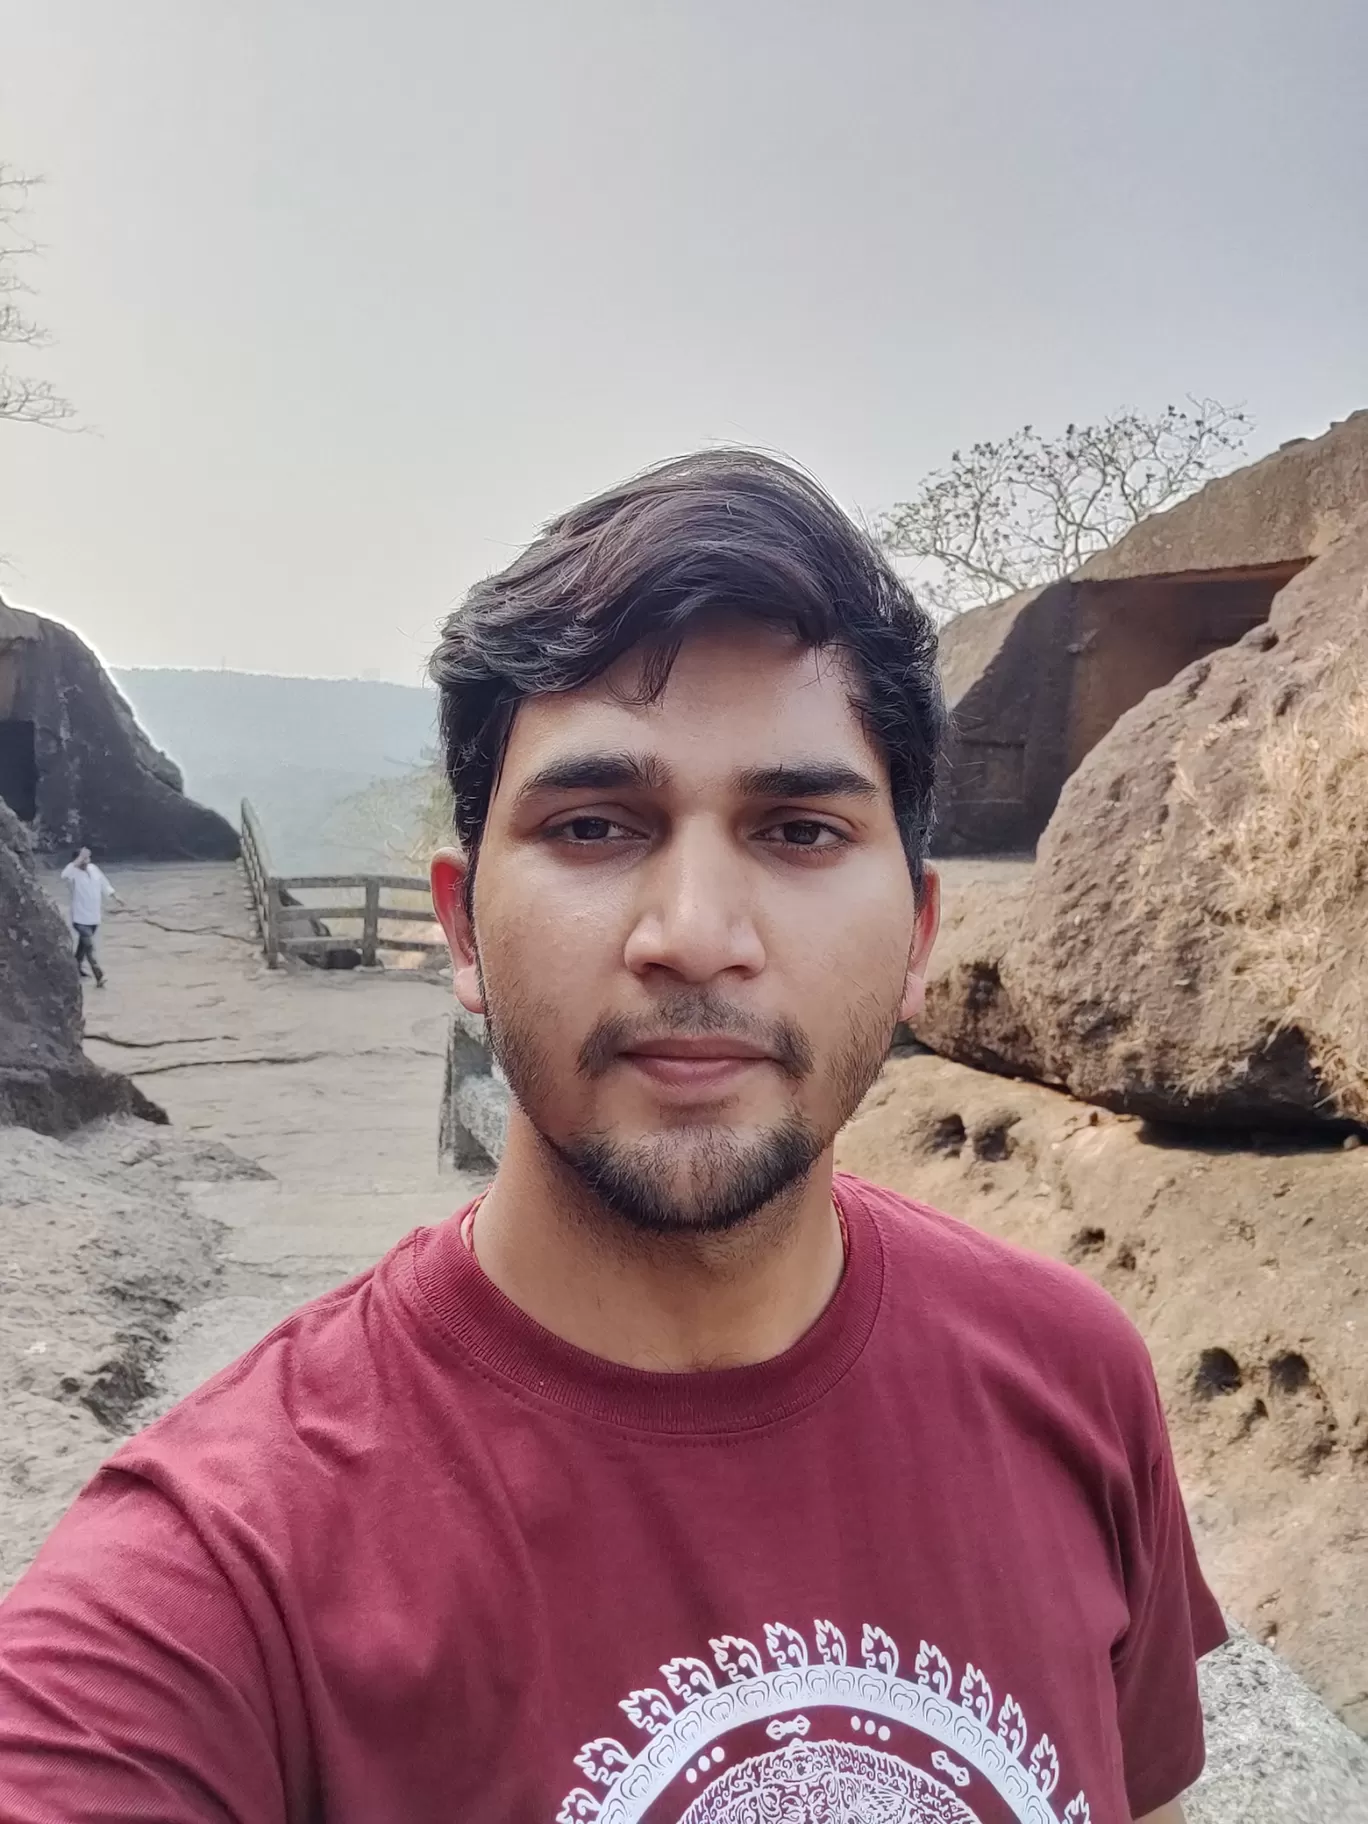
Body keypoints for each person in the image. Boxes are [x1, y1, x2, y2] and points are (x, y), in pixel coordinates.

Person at [0, 451, 1222, 1823]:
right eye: (592, 825)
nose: (694, 930)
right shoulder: (219, 1586)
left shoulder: (1072, 1383)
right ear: (462, 926)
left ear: (922, 937)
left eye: (802, 829)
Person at [58, 845, 120, 987]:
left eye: (88, 858)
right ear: (77, 860)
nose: (86, 861)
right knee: (90, 947)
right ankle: (99, 976)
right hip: (79, 919)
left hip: (94, 917)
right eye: (83, 859)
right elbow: (64, 875)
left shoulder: (93, 869)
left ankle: (75, 968)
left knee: (83, 947)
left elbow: (104, 884)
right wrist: (78, 860)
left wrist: (115, 896)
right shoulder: (72, 872)